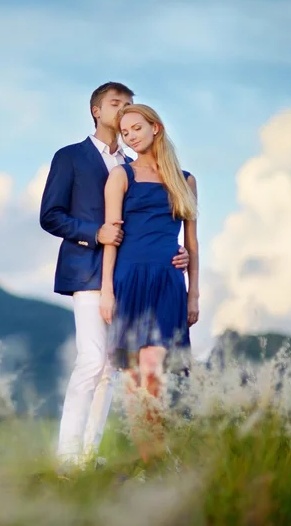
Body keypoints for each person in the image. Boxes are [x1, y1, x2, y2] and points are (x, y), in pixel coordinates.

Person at [39, 83, 190, 469]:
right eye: (115, 104)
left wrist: (178, 251)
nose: (124, 110)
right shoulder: (70, 157)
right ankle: (68, 459)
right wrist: (95, 233)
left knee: (112, 367)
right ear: (96, 110)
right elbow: (50, 215)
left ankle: (89, 454)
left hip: (130, 277)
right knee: (91, 361)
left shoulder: (134, 162)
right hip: (88, 272)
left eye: (129, 105)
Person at [99, 103, 199, 464]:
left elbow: (192, 243)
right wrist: (107, 289)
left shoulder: (185, 180)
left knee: (154, 372)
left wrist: (194, 293)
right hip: (130, 279)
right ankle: (149, 462)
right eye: (125, 132)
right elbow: (112, 237)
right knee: (132, 378)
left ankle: (159, 456)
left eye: (136, 128)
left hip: (169, 281)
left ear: (155, 127)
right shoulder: (120, 176)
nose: (130, 136)